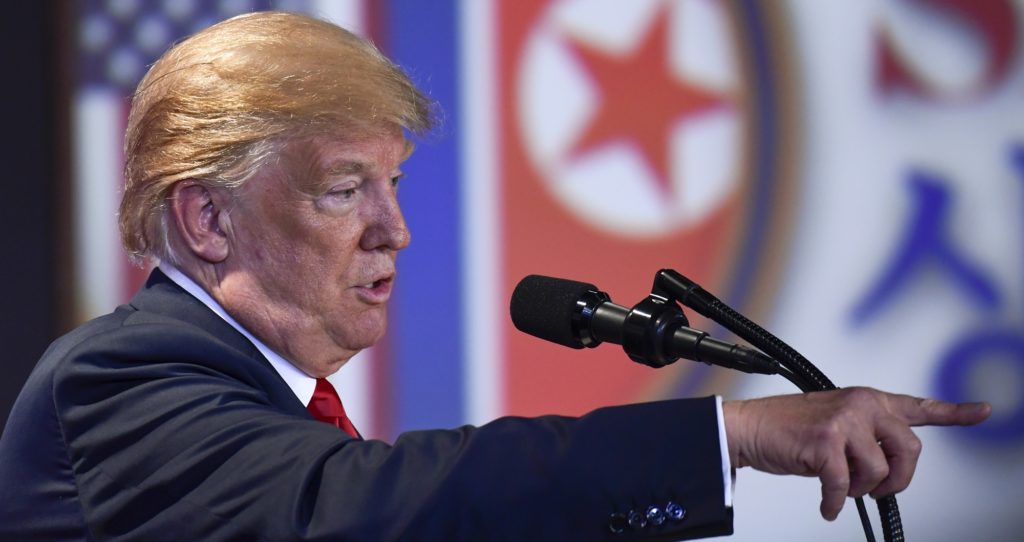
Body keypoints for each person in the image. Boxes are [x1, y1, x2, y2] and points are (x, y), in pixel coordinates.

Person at [0, 11, 989, 542]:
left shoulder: (252, 395)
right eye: (344, 190)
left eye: (392, 184)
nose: (395, 231)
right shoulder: (120, 377)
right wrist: (730, 436)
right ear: (207, 220)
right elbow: (353, 510)